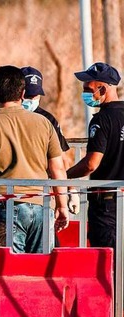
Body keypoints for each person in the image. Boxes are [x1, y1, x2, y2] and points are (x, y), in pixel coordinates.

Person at [0, 65, 69, 253]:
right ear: (22, 93)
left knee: (9, 274)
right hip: (41, 206)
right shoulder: (44, 123)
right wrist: (62, 205)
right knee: (40, 273)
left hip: (2, 206)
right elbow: (58, 169)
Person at [67, 62, 124, 252]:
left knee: (109, 262)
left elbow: (91, 164)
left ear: (102, 88)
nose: (84, 93)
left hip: (107, 204)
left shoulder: (102, 119)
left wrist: (64, 176)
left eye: (88, 88)